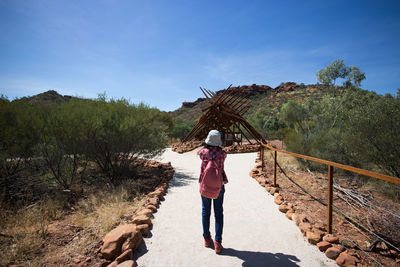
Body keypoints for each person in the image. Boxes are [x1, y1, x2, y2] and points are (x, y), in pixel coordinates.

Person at [198, 130, 228, 254]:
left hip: (205, 185)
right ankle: (218, 242)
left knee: (205, 211)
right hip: (218, 186)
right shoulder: (223, 154)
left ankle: (206, 238)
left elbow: (199, 153)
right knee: (218, 213)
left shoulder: (203, 153)